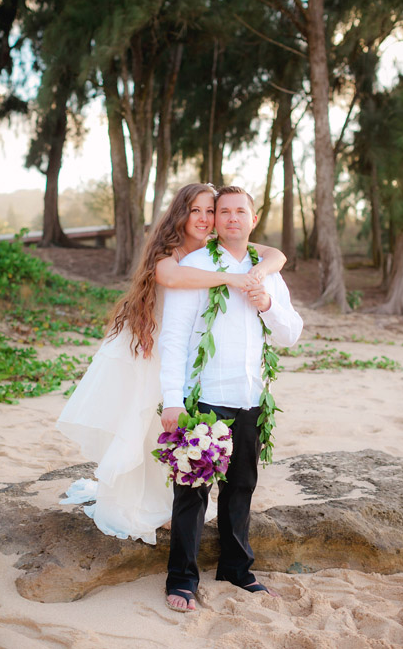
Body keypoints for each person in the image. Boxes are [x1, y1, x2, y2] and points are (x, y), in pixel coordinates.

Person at [57, 183, 286, 545]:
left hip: (192, 351)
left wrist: (257, 274)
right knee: (147, 425)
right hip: (158, 347)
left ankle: (167, 506)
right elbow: (174, 279)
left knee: (169, 431)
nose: (205, 218)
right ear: (181, 213)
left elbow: (276, 254)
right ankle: (136, 503)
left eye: (210, 211)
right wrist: (232, 278)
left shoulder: (220, 247)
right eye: (196, 210)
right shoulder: (171, 253)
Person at [159, 185, 302, 613]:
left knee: (241, 488)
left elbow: (291, 334)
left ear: (253, 220)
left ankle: (236, 571)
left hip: (251, 396)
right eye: (224, 212)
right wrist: (172, 400)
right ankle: (181, 578)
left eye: (241, 211)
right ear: (215, 221)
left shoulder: (268, 273)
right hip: (205, 396)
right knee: (192, 491)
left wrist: (267, 304)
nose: (233, 218)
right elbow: (173, 339)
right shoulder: (196, 266)